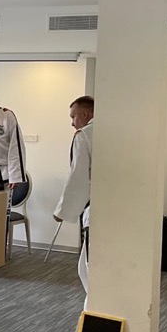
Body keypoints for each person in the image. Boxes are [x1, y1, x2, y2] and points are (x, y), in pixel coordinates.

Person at [53, 96, 95, 303]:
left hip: (96, 210)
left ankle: (93, 309)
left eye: (73, 117)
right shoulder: (115, 131)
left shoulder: (84, 136)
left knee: (89, 268)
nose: (72, 122)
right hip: (121, 208)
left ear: (85, 114)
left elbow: (78, 177)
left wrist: (62, 211)